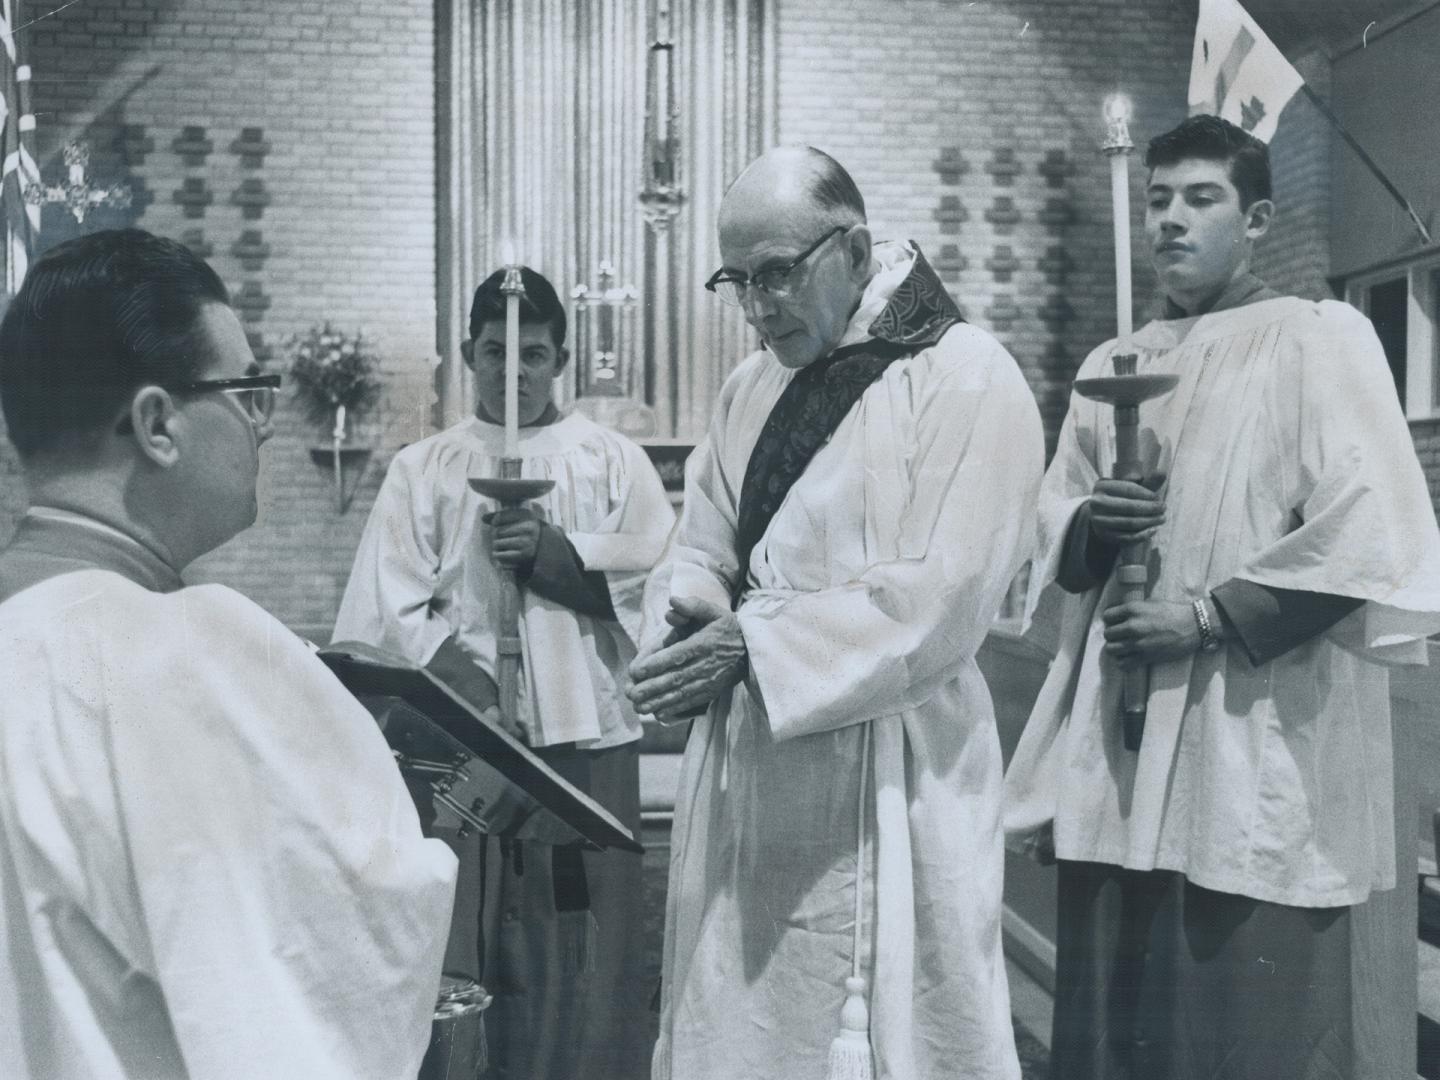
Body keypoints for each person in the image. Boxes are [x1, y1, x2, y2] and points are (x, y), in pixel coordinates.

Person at [1003, 115, 1440, 1079]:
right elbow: (1048, 529)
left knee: (1241, 1027)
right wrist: (1093, 524)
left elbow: (1375, 526)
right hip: (1121, 748)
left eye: (1201, 198)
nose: (1170, 219)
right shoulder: (1110, 366)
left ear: (1257, 219)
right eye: (1157, 198)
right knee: (1116, 1027)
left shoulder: (1318, 339)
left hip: (1251, 727)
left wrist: (1203, 619)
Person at [0, 229, 457, 1079]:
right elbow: (333, 967)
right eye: (248, 391)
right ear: (156, 423)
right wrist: (397, 797)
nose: (263, 428)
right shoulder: (187, 655)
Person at [628, 146, 1042, 1080]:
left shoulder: (964, 374)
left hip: (902, 776)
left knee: (904, 1026)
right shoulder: (751, 389)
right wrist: (688, 618)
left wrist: (756, 644)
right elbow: (700, 546)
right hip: (755, 778)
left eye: (776, 274)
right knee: (747, 1024)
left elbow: (945, 596)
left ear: (854, 250)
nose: (756, 307)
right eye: (737, 281)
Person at [333, 265, 674, 1079]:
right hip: (464, 744)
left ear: (560, 358)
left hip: (585, 750)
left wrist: (558, 561)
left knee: (582, 944)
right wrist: (468, 689)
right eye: (494, 351)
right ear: (466, 355)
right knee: (463, 938)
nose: (512, 371)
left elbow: (662, 587)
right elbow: (384, 612)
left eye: (531, 352)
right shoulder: (426, 468)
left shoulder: (613, 462)